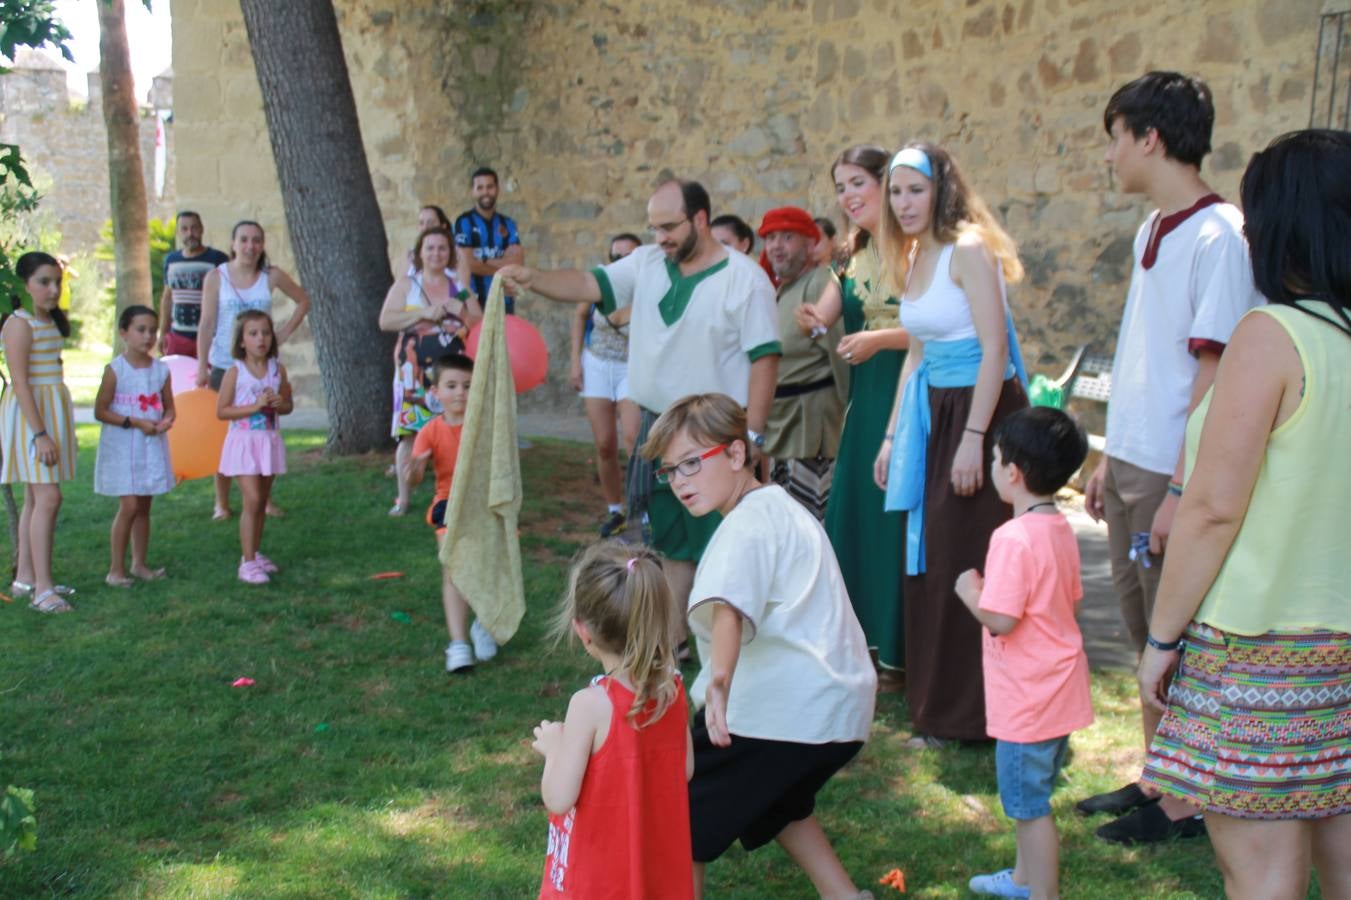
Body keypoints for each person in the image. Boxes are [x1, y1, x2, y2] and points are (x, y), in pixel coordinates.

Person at [1136, 129, 1351, 899]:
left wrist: (1161, 639)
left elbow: (1213, 510)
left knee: (1261, 879)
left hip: (1258, 650)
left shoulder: (1273, 335)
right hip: (1341, 649)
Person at [1076, 71, 1264, 845]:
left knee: (1174, 630)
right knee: (1138, 622)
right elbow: (1143, 355)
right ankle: (1158, 777)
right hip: (1129, 459)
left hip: (1169, 470)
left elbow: (1214, 369)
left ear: (1148, 138)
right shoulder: (1150, 228)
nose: (1110, 156)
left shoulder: (1221, 233)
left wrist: (1180, 487)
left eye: (1115, 137)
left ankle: (1186, 804)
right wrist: (1105, 455)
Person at [499, 179, 780, 626]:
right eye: (654, 228)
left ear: (700, 219)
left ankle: (727, 659)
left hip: (715, 437)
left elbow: (765, 358)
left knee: (724, 546)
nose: (660, 238)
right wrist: (534, 279)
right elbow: (588, 283)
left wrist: (754, 434)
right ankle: (673, 649)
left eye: (669, 226)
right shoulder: (647, 263)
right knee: (671, 546)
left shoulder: (746, 279)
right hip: (659, 428)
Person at [640, 393, 875, 900]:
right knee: (778, 802)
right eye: (670, 472)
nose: (680, 481)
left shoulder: (746, 524)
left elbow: (730, 608)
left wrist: (719, 683)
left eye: (690, 464)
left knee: (677, 811)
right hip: (836, 707)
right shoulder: (779, 509)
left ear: (735, 454)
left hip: (782, 710)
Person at [875, 140, 1030, 745]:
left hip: (979, 414)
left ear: (941, 190)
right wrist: (892, 437)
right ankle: (936, 704)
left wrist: (973, 440)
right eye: (895, 191)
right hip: (932, 413)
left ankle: (975, 716)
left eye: (915, 189)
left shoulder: (970, 251)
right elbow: (916, 352)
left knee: (966, 557)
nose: (904, 202)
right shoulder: (916, 256)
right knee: (929, 560)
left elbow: (995, 349)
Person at [954, 406, 1092, 900]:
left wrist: (971, 592)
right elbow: (1064, 600)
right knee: (1032, 795)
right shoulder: (1059, 528)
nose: (992, 466)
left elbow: (1002, 619)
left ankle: (1043, 894)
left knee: (1028, 808)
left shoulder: (1011, 537)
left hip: (1027, 701)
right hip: (1060, 692)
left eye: (994, 458)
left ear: (1012, 472)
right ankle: (1021, 880)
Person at [795, 145, 909, 682]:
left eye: (858, 182)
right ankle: (857, 642)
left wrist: (878, 340)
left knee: (895, 518)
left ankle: (900, 650)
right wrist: (811, 320)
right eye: (840, 186)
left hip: (909, 396)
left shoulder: (919, 250)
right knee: (856, 511)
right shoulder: (847, 256)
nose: (848, 195)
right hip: (864, 406)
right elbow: (824, 314)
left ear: (886, 184)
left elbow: (941, 328)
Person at [532, 540, 692, 899]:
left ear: (583, 631)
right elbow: (684, 769)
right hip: (653, 874)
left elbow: (559, 797)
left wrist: (554, 749)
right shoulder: (672, 689)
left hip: (598, 880)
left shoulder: (590, 705)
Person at [197, 220, 311, 522]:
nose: (250, 246)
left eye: (256, 240)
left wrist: (282, 334)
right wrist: (201, 367)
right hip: (225, 364)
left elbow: (303, 300)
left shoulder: (270, 276)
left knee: (264, 428)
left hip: (262, 366)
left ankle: (264, 497)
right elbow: (206, 323)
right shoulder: (216, 277)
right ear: (233, 244)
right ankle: (221, 501)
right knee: (225, 434)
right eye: (244, 240)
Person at [378, 226, 481, 516]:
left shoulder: (457, 285)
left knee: (456, 430)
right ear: (420, 253)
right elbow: (385, 320)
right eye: (430, 248)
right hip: (413, 372)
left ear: (450, 253)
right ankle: (404, 498)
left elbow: (478, 320)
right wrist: (422, 313)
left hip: (451, 373)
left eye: (442, 248)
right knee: (409, 432)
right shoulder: (407, 284)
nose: (436, 253)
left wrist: (460, 312)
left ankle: (453, 496)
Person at [407, 353, 499, 672]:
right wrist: (414, 469)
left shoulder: (486, 428)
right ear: (436, 393)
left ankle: (483, 624)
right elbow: (416, 477)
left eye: (468, 385)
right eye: (451, 385)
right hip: (447, 506)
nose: (460, 392)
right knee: (455, 572)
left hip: (483, 505)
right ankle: (458, 644)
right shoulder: (430, 431)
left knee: (485, 570)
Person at [758, 206, 847, 521]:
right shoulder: (784, 289)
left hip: (813, 429)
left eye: (787, 237)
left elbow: (841, 357)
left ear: (810, 244)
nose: (776, 246)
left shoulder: (820, 283)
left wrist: (849, 420)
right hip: (785, 427)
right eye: (770, 238)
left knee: (811, 527)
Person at [0, 252, 76, 612]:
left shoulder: (48, 321)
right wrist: (40, 434)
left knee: (35, 498)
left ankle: (26, 578)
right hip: (32, 420)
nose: (53, 289)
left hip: (48, 414)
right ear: (26, 285)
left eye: (57, 282)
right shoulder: (19, 323)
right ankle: (43, 590)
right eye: (44, 282)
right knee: (48, 498)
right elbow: (21, 383)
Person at [93, 305, 176, 587]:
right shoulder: (115, 370)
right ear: (124, 333)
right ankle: (115, 569)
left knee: (143, 505)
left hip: (150, 446)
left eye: (153, 330)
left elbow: (169, 408)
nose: (148, 336)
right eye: (141, 330)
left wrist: (165, 421)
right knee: (128, 505)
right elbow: (101, 411)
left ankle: (139, 564)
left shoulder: (162, 371)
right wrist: (134, 422)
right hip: (123, 445)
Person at [568, 232, 642, 537]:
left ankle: (642, 508)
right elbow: (579, 316)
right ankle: (615, 509)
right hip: (597, 363)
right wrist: (575, 361)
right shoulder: (600, 284)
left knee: (633, 439)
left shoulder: (647, 287)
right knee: (604, 444)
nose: (621, 262)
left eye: (628, 257)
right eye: (616, 257)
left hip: (631, 367)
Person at [215, 310, 292, 585]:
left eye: (266, 333)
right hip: (244, 443)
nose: (261, 339)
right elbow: (222, 411)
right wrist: (254, 407)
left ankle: (255, 552)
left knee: (261, 502)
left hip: (268, 442)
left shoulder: (277, 370)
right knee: (253, 500)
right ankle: (246, 564)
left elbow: (288, 405)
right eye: (253, 333)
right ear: (242, 340)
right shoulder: (235, 372)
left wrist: (276, 403)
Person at [158, 211, 229, 357]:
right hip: (178, 338)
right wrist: (163, 333)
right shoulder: (171, 260)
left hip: (211, 339)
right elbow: (167, 298)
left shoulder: (218, 259)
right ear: (178, 232)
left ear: (202, 229)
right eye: (184, 229)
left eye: (194, 228)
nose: (190, 233)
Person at [454, 167, 523, 313]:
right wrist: (503, 263)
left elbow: (517, 263)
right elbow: (467, 263)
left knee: (506, 337)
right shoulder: (463, 222)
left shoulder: (508, 224)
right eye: (480, 187)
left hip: (504, 300)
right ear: (472, 191)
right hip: (473, 301)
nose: (485, 192)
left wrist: (483, 260)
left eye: (490, 187)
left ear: (497, 189)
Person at [406, 203, 452, 273]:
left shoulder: (456, 253)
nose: (425, 228)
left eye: (430, 223)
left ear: (443, 226)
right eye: (421, 223)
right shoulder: (412, 254)